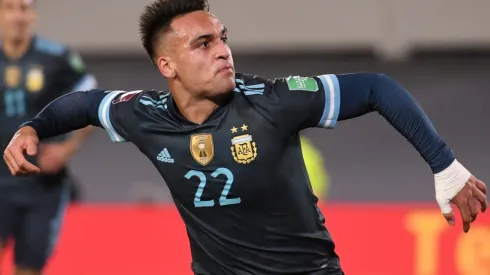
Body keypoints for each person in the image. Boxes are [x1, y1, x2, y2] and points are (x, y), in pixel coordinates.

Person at [3, 0, 487, 274]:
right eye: (204, 44)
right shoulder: (144, 115)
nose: (223, 52)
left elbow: (379, 87)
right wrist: (34, 127)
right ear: (166, 66)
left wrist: (445, 166)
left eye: (223, 38)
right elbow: (86, 105)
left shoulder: (273, 100)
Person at [0, 0, 97, 274]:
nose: (18, 15)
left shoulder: (58, 58)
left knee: (29, 269)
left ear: (34, 14)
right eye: (10, 7)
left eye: (25, 8)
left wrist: (68, 148)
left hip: (42, 188)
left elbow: (90, 104)